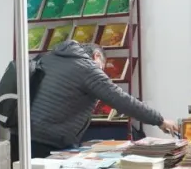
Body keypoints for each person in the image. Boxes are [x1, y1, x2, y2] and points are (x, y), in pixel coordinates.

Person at [12, 41, 178, 162]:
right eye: (103, 68)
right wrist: (160, 120)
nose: (102, 74)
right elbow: (121, 99)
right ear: (97, 55)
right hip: (45, 143)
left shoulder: (48, 58)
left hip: (19, 136)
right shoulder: (87, 68)